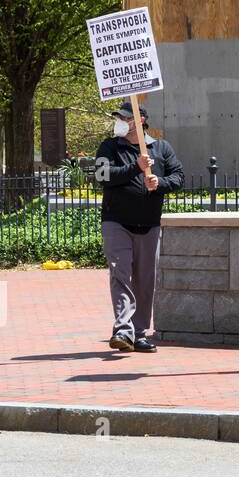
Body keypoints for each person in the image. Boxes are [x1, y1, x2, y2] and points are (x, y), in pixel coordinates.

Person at [94, 102, 184, 353]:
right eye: (119, 117)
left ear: (140, 120)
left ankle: (139, 332)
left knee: (145, 280)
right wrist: (136, 166)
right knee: (120, 273)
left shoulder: (162, 148)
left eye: (125, 117)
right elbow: (102, 176)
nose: (120, 121)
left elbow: (179, 177)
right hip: (116, 222)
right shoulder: (110, 146)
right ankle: (123, 328)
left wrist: (160, 182)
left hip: (149, 223)